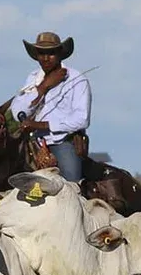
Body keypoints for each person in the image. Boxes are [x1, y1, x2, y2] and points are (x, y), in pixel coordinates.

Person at [8, 31, 91, 184]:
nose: (45, 58)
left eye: (51, 53)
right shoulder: (33, 78)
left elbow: (82, 119)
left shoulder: (77, 79)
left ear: (60, 54)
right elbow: (17, 110)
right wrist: (43, 87)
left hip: (63, 143)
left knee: (72, 186)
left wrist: (40, 125)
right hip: (33, 143)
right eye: (41, 53)